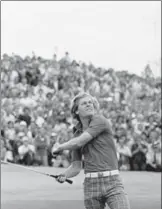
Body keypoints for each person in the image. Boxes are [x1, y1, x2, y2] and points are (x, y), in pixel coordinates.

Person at [52, 92, 130, 209]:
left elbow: (80, 142)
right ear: (76, 111)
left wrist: (60, 147)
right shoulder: (76, 134)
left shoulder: (100, 120)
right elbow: (76, 167)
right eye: (84, 103)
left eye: (90, 102)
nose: (89, 105)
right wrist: (64, 175)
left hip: (112, 182)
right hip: (90, 185)